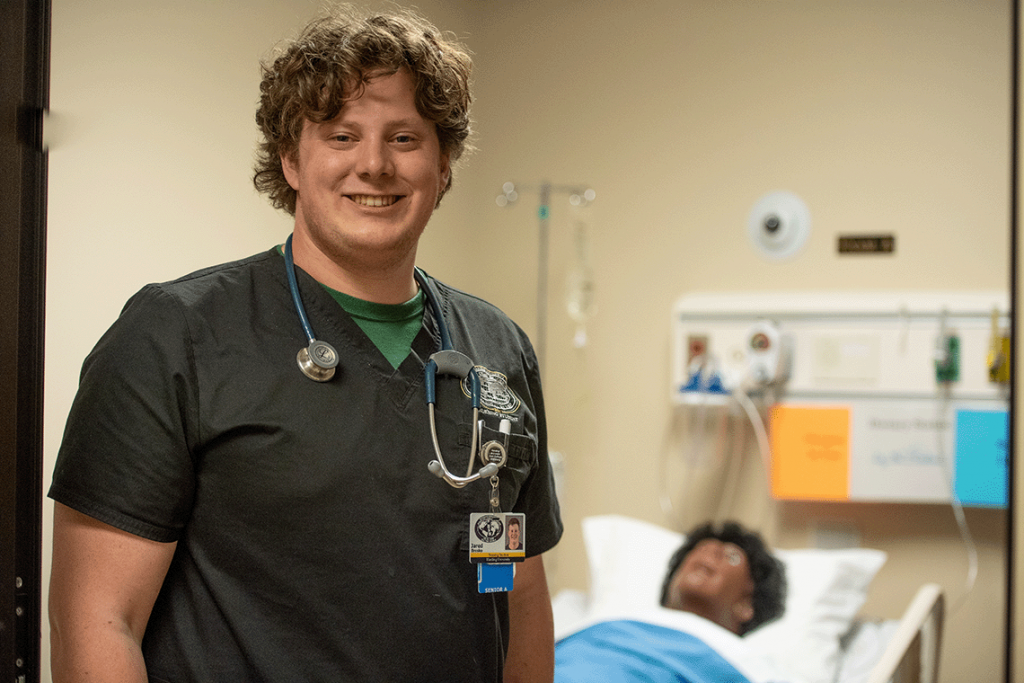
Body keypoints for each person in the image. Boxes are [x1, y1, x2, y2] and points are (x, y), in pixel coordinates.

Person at [47, 6, 562, 683]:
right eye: (341, 135)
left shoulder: (497, 347)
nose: (373, 165)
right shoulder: (175, 335)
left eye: (405, 138)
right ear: (290, 159)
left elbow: (518, 597)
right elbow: (97, 616)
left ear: (443, 164)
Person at [659, 521, 786, 636]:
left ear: (746, 604)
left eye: (731, 556)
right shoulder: (640, 622)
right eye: (702, 549)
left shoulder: (742, 660)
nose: (711, 551)